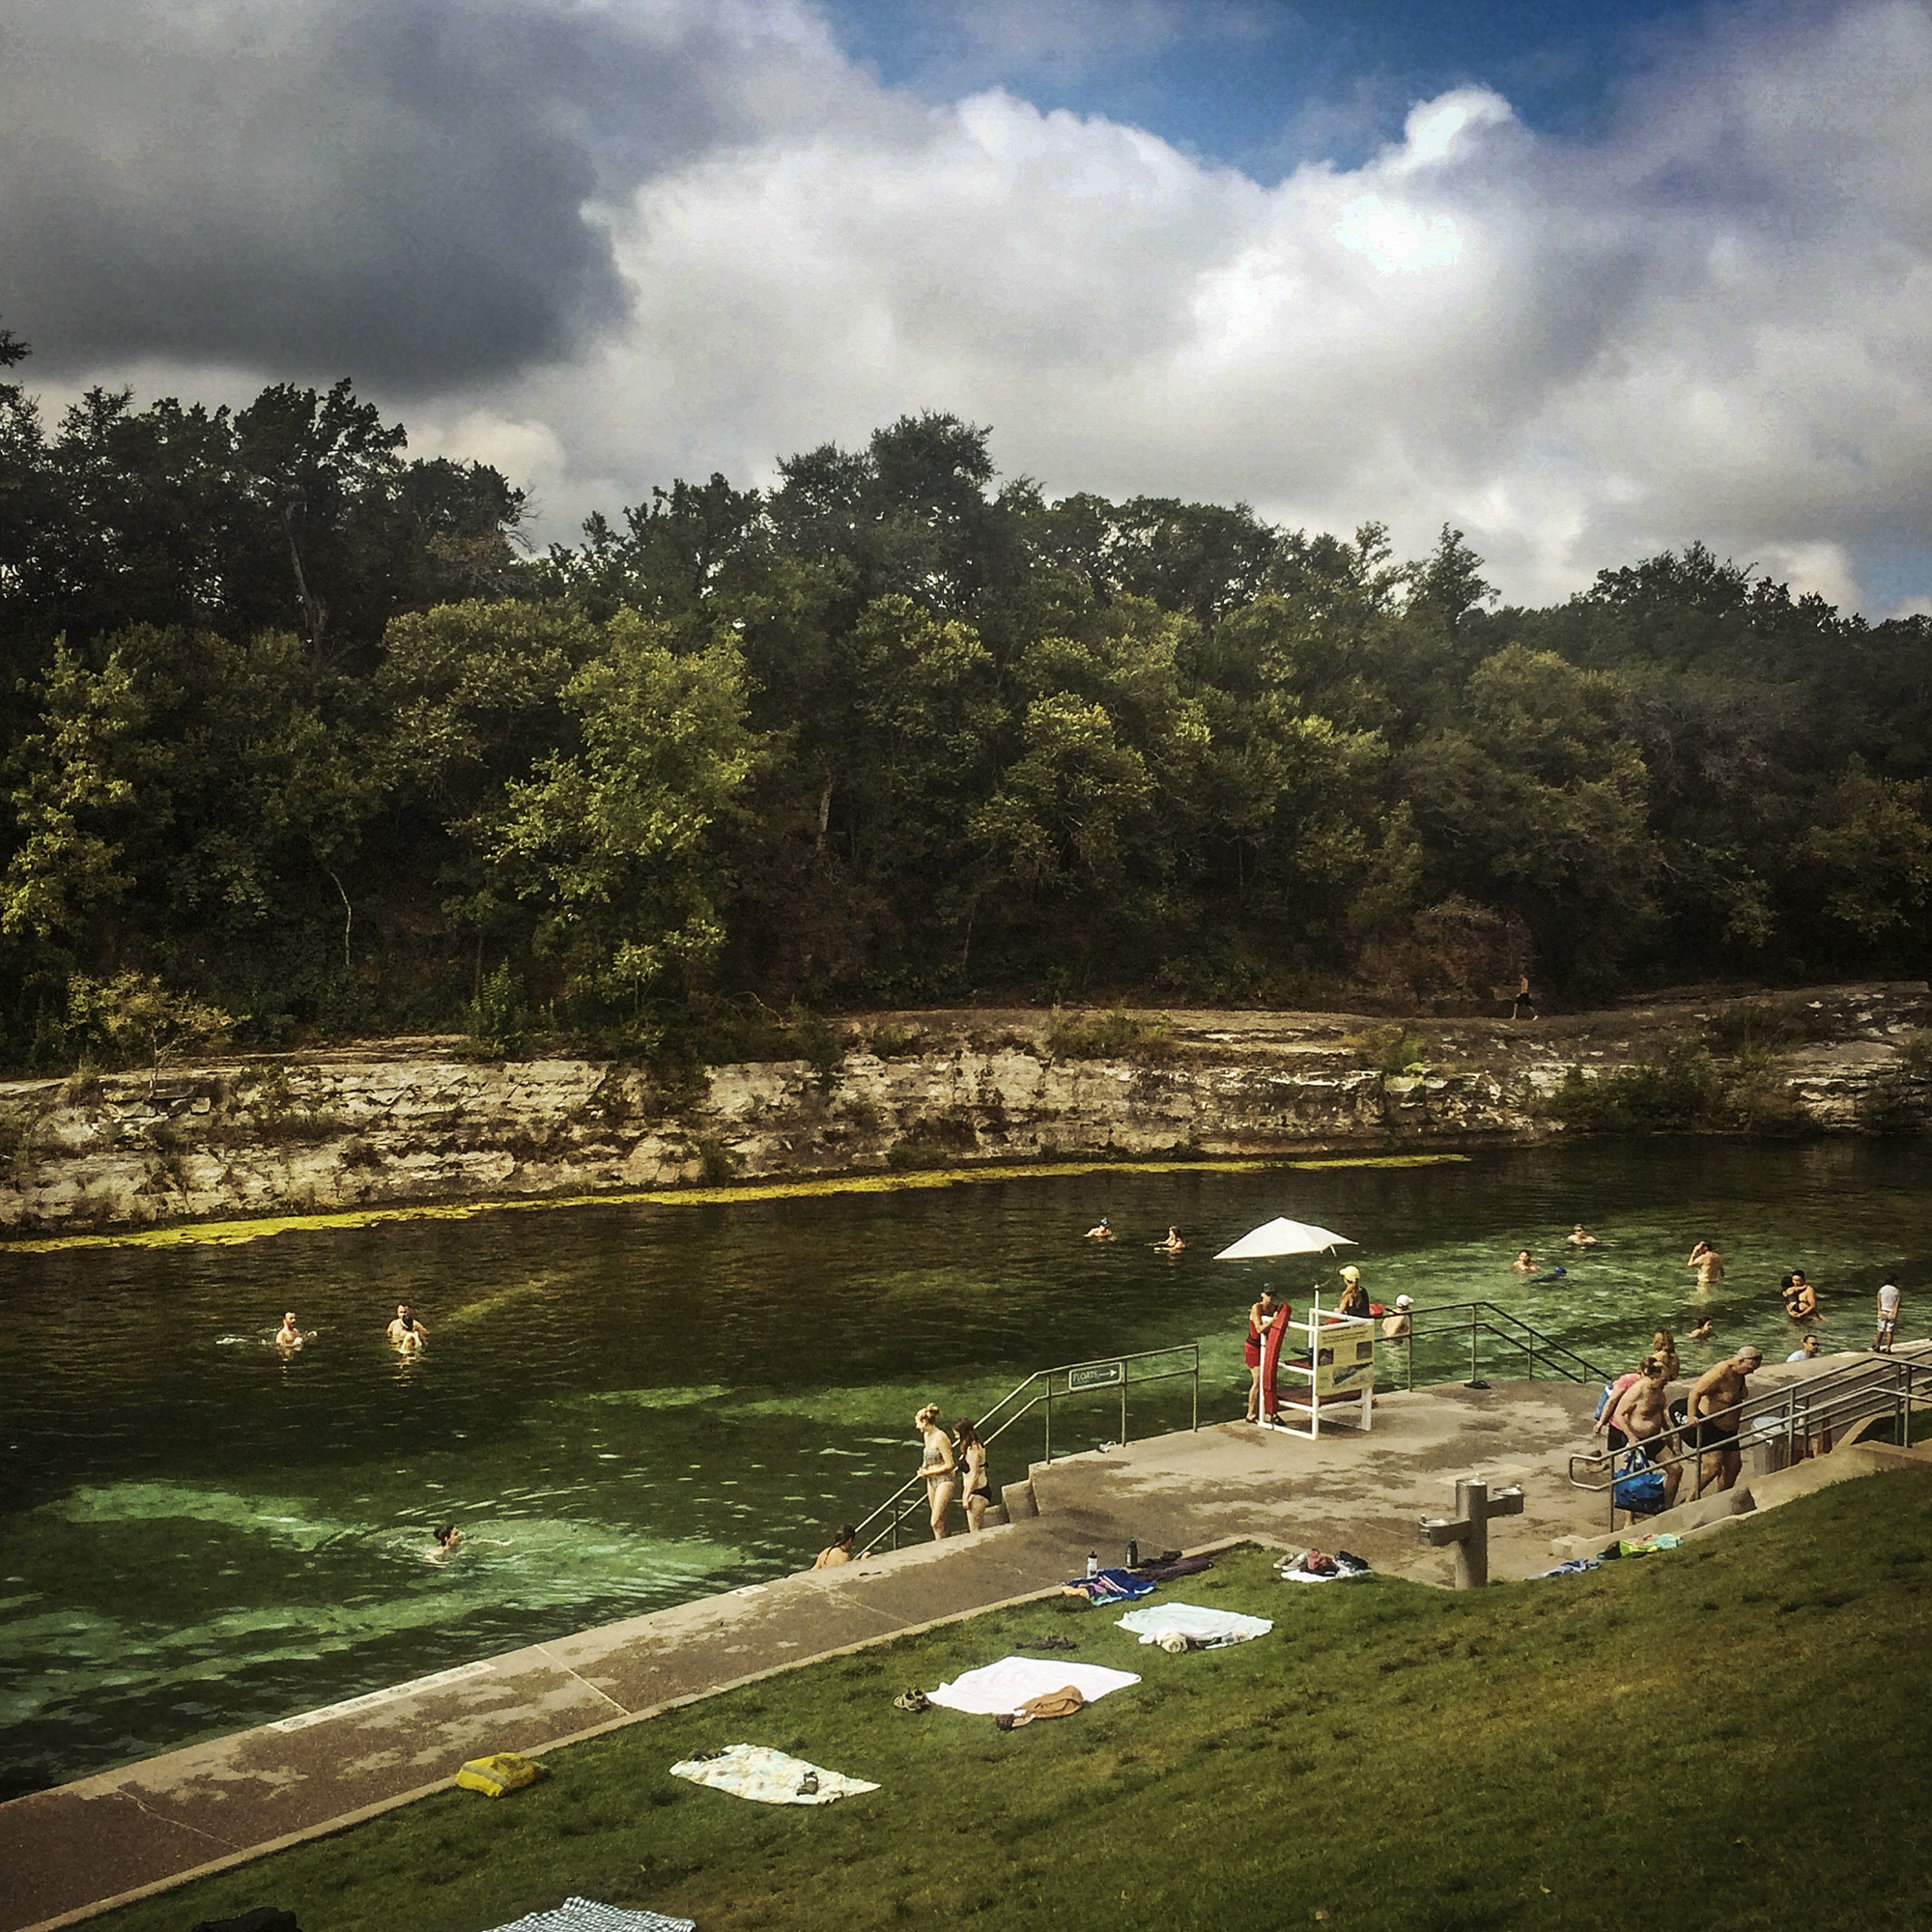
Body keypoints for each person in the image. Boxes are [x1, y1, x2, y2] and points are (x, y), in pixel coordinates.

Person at [1686, 1346, 1762, 1494]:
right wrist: (1691, 1416)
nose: (1751, 1372)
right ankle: (1690, 1499)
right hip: (1711, 1425)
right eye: (1750, 1369)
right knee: (1712, 1467)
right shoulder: (1720, 1372)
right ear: (1740, 1361)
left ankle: (1720, 1497)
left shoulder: (1739, 1373)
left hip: (1730, 1430)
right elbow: (1695, 1392)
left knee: (1734, 1466)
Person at [1610, 1358, 1683, 1510]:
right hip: (1636, 1439)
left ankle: (1667, 1507)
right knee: (1632, 1479)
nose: (1666, 1383)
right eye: (1663, 1380)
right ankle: (1629, 1519)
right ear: (1653, 1376)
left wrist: (1669, 1436)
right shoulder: (1638, 1390)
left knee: (1676, 1469)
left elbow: (1661, 1416)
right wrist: (1630, 1436)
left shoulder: (1660, 1393)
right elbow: (1618, 1413)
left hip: (1654, 1439)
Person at [1245, 1284, 1287, 1423]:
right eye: (1268, 1294)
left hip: (1266, 1347)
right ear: (1262, 1295)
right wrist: (1274, 1321)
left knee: (1269, 1378)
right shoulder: (1257, 1308)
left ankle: (1271, 1412)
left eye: (1273, 1295)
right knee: (1257, 1380)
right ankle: (1251, 1413)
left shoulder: (1275, 1309)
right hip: (1253, 1346)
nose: (1270, 1298)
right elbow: (1259, 1329)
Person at [914, 1404, 955, 1540]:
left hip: (944, 1480)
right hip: (931, 1480)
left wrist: (929, 1473)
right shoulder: (926, 1435)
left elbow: (950, 1464)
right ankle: (940, 1545)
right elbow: (928, 1454)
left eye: (918, 1423)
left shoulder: (940, 1437)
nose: (916, 1427)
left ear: (925, 1422)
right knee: (940, 1522)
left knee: (934, 1520)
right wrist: (924, 1467)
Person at [955, 1418, 991, 1532]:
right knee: (975, 1528)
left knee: (975, 1530)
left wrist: (966, 1496)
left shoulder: (973, 1449)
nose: (955, 1435)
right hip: (975, 1491)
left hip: (977, 1492)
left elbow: (974, 1474)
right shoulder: (970, 1447)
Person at [1876, 1278, 1902, 1352]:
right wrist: (1895, 1314)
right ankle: (1888, 1348)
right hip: (1891, 1312)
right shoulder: (1896, 1291)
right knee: (1890, 1331)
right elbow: (1897, 1304)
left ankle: (1877, 1346)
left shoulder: (1882, 1289)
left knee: (1880, 1330)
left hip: (1883, 1311)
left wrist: (1879, 1311)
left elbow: (1878, 1300)